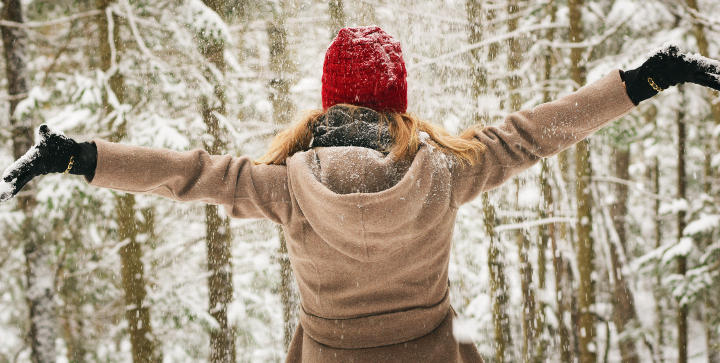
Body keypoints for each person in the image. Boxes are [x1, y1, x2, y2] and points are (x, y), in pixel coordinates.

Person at [2, 26, 719, 362]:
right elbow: (538, 133)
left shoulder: (286, 187)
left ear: (326, 104)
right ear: (397, 105)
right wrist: (645, 79)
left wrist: (78, 157)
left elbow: (186, 173)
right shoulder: (446, 170)